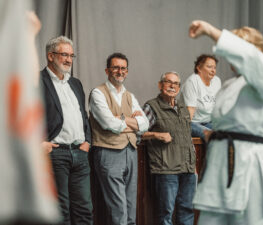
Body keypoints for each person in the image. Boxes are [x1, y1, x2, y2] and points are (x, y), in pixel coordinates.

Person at [189, 21, 263, 225]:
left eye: (235, 46)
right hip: (220, 166)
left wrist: (210, 31)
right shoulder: (230, 85)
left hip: (253, 166)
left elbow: (251, 59)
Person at [89, 52, 149, 225]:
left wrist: (120, 118)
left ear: (127, 72)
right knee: (118, 208)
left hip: (131, 152)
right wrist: (132, 121)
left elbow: (144, 125)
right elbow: (109, 124)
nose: (120, 71)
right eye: (115, 67)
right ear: (107, 70)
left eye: (123, 68)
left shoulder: (130, 96)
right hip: (108, 152)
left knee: (131, 206)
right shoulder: (98, 93)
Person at [40, 36, 93, 225]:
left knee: (85, 209)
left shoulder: (75, 83)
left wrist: (87, 140)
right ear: (50, 56)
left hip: (80, 153)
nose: (69, 60)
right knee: (60, 211)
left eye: (71, 55)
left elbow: (83, 115)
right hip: (55, 154)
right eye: (64, 54)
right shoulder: (37, 81)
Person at [142, 72, 196, 225]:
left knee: (187, 211)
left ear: (179, 88)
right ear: (160, 85)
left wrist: (193, 167)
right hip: (166, 170)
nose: (172, 86)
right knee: (166, 213)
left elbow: (187, 136)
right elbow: (138, 132)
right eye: (168, 82)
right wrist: (156, 135)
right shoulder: (151, 106)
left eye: (176, 83)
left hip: (188, 170)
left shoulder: (183, 109)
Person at [181, 54, 221, 139]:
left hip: (209, 122)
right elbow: (189, 113)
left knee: (229, 132)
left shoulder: (217, 81)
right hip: (192, 123)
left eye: (214, 67)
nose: (213, 70)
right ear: (199, 68)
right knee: (212, 136)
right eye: (209, 67)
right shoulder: (192, 82)